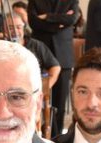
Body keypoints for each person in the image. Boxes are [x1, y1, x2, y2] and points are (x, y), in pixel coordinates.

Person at [29, 0, 79, 135]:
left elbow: (72, 19)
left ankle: (57, 137)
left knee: (60, 104)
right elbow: (33, 22)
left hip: (63, 56)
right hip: (39, 54)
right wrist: (60, 24)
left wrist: (47, 17)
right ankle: (35, 135)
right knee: (34, 98)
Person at [6, 14, 61, 92]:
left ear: (23, 28)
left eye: (18, 27)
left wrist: (45, 88)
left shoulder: (37, 45)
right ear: (4, 29)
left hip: (33, 90)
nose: (15, 31)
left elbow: (55, 67)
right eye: (10, 28)